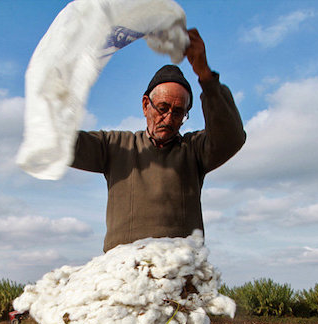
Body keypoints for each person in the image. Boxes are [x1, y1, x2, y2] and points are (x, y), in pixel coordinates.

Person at [71, 28, 246, 252]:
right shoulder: (114, 147)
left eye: (178, 112)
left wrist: (206, 77)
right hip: (122, 276)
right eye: (162, 108)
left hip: (180, 274)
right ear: (146, 105)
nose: (169, 118)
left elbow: (232, 137)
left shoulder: (193, 151)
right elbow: (64, 144)